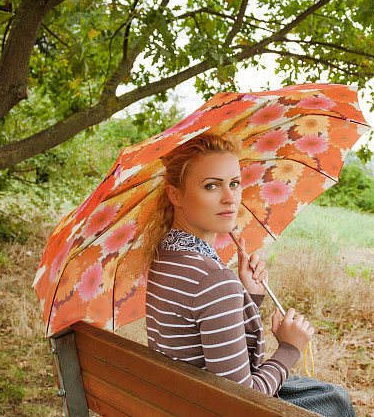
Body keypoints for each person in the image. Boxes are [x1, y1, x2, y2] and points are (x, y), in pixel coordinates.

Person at [139, 132, 355, 416]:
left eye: (235, 183)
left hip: (182, 400)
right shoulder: (212, 279)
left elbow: (204, 338)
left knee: (329, 395)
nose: (230, 198)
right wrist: (290, 348)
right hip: (210, 408)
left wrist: (248, 296)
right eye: (211, 186)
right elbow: (240, 401)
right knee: (334, 403)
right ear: (174, 195)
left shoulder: (165, 257)